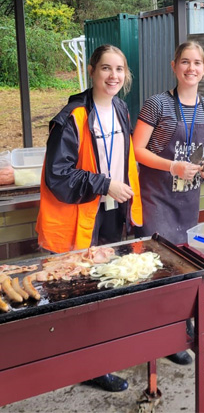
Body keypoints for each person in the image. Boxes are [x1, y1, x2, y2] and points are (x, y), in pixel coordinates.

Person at [37, 44, 143, 393]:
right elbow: (58, 176)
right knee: (76, 290)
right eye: (106, 69)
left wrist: (119, 193)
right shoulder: (72, 117)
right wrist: (105, 184)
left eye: (119, 69)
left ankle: (97, 356)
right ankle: (84, 365)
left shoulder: (122, 109)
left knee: (103, 285)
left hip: (110, 213)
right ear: (93, 72)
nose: (113, 76)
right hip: (78, 216)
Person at [133, 41, 204, 365]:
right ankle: (161, 336)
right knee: (159, 268)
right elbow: (137, 150)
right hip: (156, 197)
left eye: (197, 62)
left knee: (185, 267)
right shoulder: (157, 104)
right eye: (185, 62)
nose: (191, 68)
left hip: (188, 200)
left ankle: (181, 327)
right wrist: (172, 166)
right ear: (174, 66)